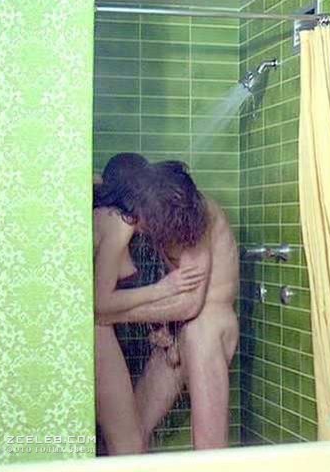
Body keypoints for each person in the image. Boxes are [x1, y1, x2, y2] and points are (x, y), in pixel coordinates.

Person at [96, 159, 239, 452]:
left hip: (206, 327)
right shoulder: (158, 207)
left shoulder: (199, 215)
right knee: (132, 435)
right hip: (175, 333)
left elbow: (189, 304)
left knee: (209, 446)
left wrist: (110, 313)